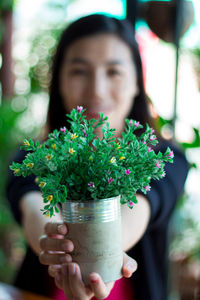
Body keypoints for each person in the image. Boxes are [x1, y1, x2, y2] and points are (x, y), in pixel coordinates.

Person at [6, 14, 189, 300]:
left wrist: (104, 250)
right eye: (79, 71)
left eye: (113, 71)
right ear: (59, 82)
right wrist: (57, 248)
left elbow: (140, 206)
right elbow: (34, 205)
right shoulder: (38, 156)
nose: (96, 90)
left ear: (137, 82)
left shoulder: (164, 158)